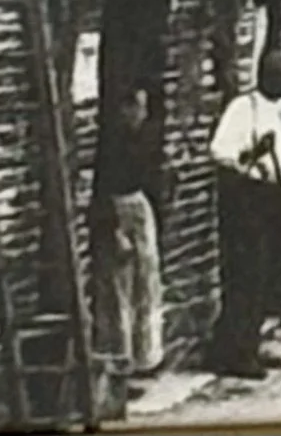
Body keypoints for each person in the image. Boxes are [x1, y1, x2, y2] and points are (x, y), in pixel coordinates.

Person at [205, 48, 281, 379]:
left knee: (270, 278)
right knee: (247, 275)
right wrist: (253, 153)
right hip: (249, 200)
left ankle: (249, 343)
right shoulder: (243, 108)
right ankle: (234, 353)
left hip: (280, 197)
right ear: (267, 77)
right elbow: (221, 154)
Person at [90, 80, 168, 377]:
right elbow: (103, 188)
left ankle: (145, 356)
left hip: (139, 209)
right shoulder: (110, 146)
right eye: (137, 107)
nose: (141, 114)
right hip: (118, 212)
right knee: (118, 288)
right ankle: (118, 360)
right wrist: (116, 230)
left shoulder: (140, 142)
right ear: (124, 109)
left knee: (146, 284)